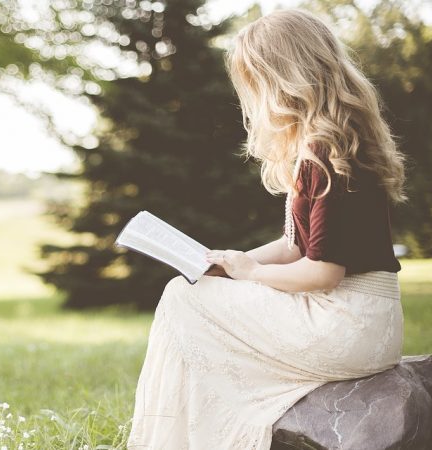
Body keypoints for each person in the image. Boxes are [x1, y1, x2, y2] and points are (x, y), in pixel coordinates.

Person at [126, 9, 408, 449]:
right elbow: (296, 246)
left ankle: (175, 439)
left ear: (285, 78)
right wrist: (229, 262)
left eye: (256, 81)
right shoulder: (335, 141)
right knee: (193, 291)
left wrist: (250, 274)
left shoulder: (324, 152)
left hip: (346, 323)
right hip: (367, 322)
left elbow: (322, 273)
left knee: (182, 297)